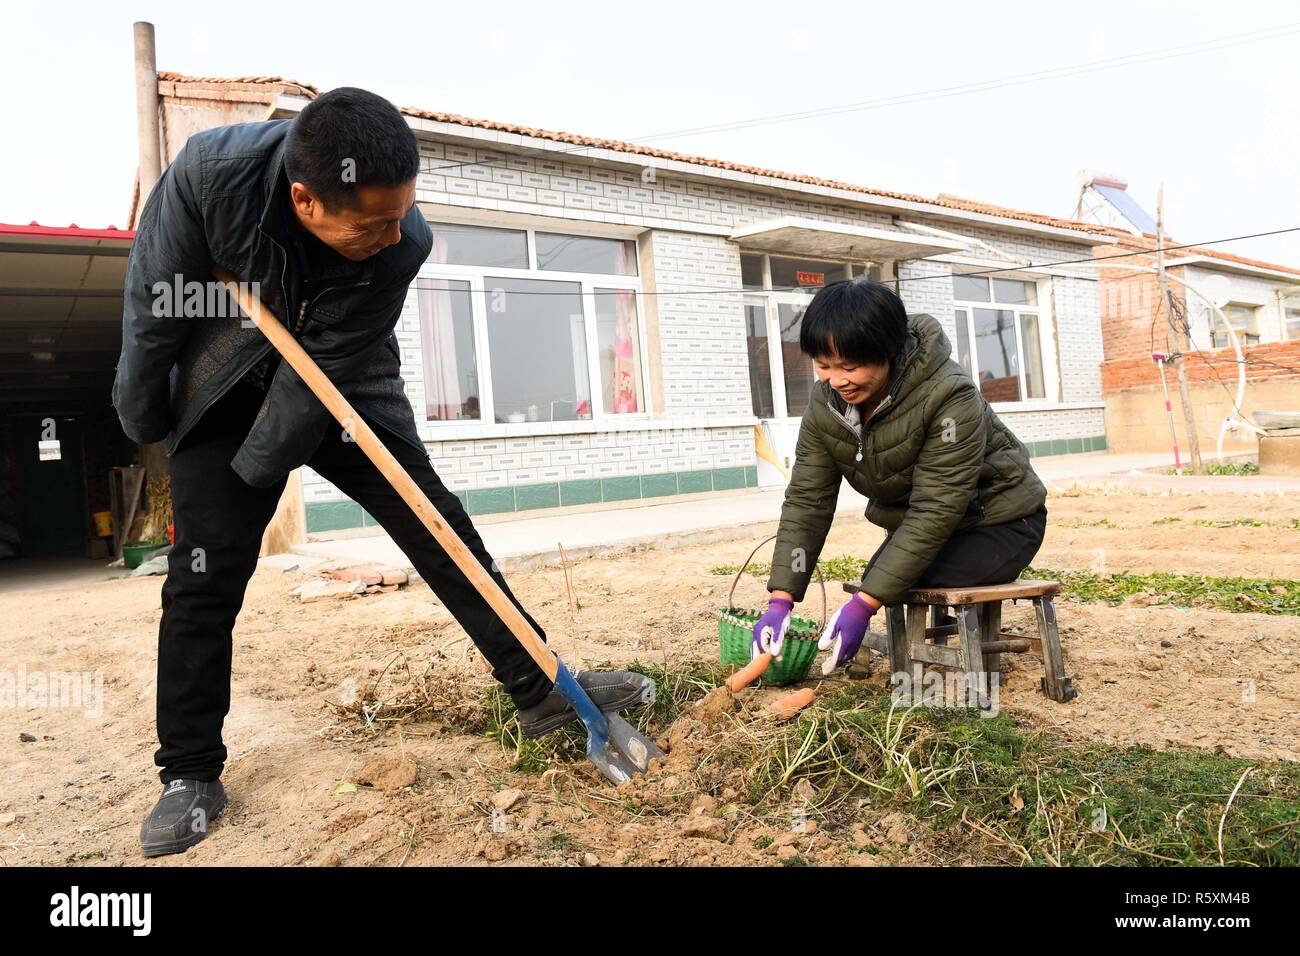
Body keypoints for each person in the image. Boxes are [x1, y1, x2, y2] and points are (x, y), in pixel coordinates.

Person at [114, 87, 653, 858]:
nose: (393, 233)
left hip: (341, 371)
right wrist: (143, 420)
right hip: (223, 373)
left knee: (438, 526)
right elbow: (151, 305)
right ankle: (189, 772)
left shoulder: (404, 243)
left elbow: (311, 385)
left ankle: (541, 690)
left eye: (401, 212)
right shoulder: (210, 177)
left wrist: (258, 470)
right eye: (370, 221)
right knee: (205, 573)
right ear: (305, 199)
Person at [752, 279, 1047, 676]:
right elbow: (808, 500)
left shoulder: (948, 397)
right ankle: (887, 639)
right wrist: (780, 600)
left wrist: (866, 603)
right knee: (884, 579)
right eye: (824, 365)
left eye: (850, 366)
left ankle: (925, 660)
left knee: (887, 582)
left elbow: (935, 508)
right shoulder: (826, 408)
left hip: (999, 523)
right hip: (926, 528)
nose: (836, 380)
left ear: (887, 351)